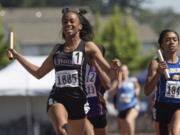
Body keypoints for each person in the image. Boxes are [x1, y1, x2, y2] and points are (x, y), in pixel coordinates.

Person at [7, 8, 120, 135]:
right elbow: (39, 73)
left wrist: (115, 67)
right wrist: (17, 56)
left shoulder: (88, 47)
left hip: (78, 101)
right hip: (58, 98)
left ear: (80, 26)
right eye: (65, 22)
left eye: (72, 21)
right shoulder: (57, 50)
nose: (68, 24)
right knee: (62, 130)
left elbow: (110, 71)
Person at [144, 29, 180, 135]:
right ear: (161, 44)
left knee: (176, 132)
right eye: (167, 40)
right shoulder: (155, 64)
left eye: (174, 39)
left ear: (178, 43)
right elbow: (147, 91)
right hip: (161, 106)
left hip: (178, 105)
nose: (172, 42)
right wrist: (158, 73)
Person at [84, 46, 121, 135]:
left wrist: (96, 64)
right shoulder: (81, 67)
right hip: (81, 111)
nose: (93, 55)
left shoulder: (103, 69)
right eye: (91, 53)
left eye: (96, 53)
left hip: (97, 110)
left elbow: (109, 84)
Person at [109, 64, 140, 135]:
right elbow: (110, 93)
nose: (123, 72)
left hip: (133, 106)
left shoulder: (132, 80)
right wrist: (118, 83)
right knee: (123, 132)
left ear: (128, 72)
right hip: (121, 108)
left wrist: (137, 91)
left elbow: (138, 87)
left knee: (128, 120)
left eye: (125, 71)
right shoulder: (116, 82)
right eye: (121, 71)